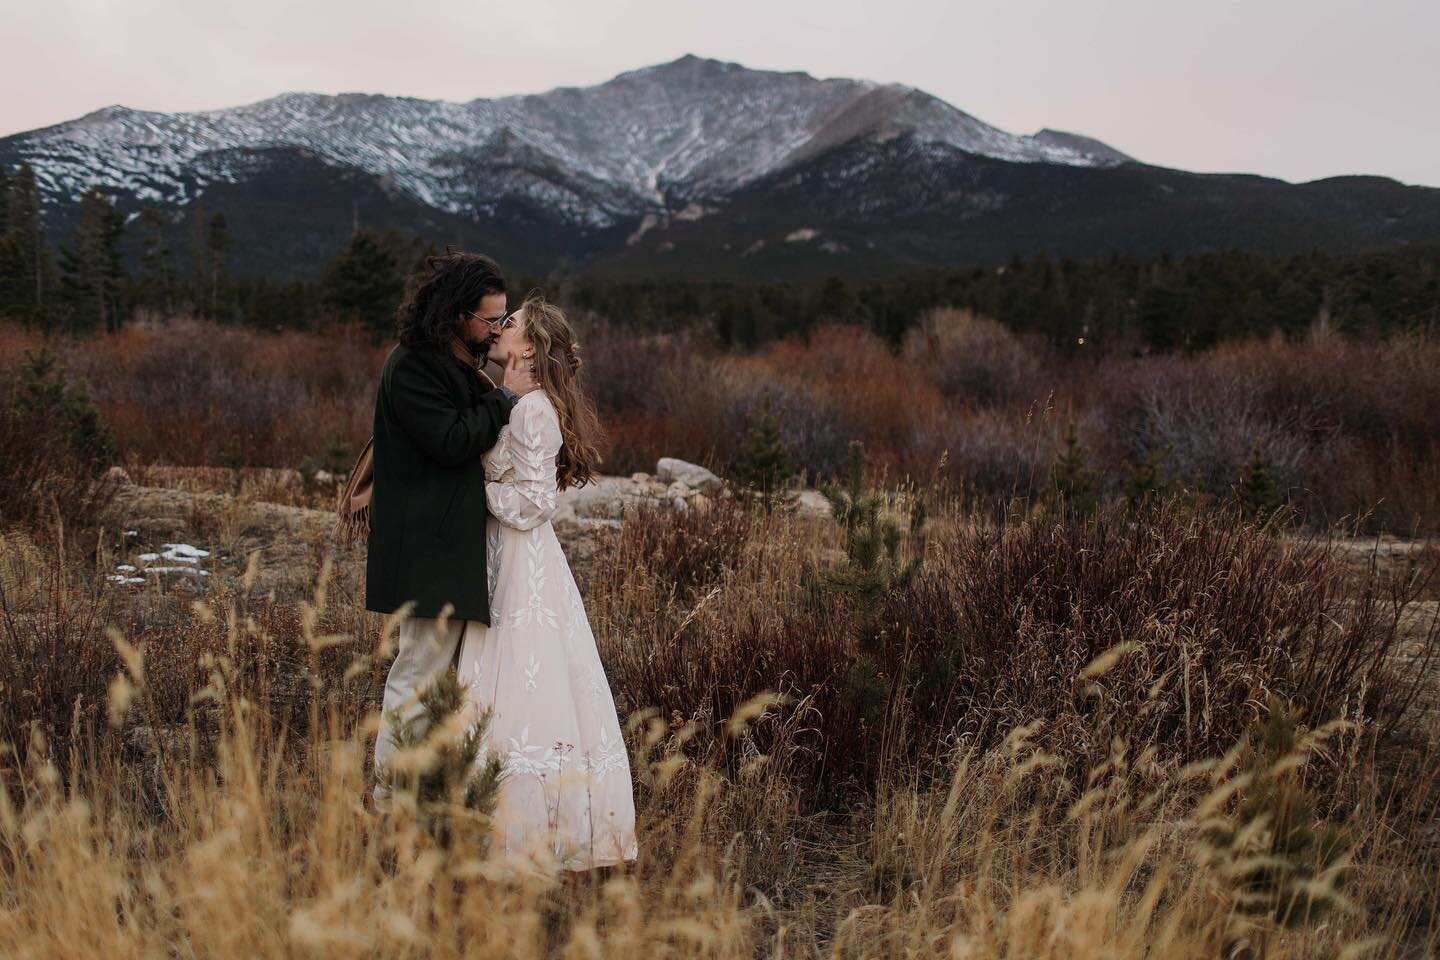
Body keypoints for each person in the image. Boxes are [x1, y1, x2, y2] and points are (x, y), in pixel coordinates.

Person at [455, 294, 640, 872]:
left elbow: (536, 502)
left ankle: (532, 831)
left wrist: (474, 495)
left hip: (521, 559)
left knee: (522, 680)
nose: (498, 329)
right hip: (504, 552)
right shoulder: (514, 400)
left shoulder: (534, 409)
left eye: (508, 324)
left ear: (528, 347)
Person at [366, 251, 539, 803]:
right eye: (489, 319)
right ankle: (391, 798)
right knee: (418, 673)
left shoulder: (457, 363)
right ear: (455, 312)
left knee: (443, 678)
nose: (497, 329)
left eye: (502, 318)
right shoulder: (414, 366)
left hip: (449, 547)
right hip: (424, 548)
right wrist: (505, 401)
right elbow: (451, 440)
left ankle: (427, 791)